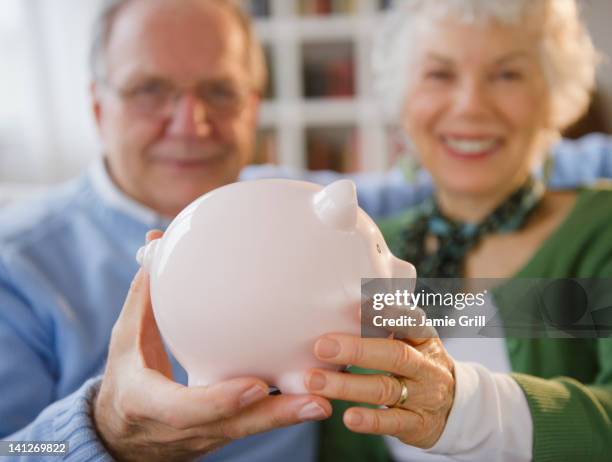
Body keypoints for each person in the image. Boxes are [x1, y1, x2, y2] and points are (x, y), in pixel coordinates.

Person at [0, 0, 611, 460]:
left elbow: (503, 248)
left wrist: (471, 404)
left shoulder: (342, 231)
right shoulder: (21, 267)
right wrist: (100, 432)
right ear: (98, 106)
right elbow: (18, 451)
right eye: (438, 75)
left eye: (509, 74)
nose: (190, 122)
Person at [298, 1, 612, 461]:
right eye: (439, 75)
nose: (470, 105)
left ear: (555, 93)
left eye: (507, 75)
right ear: (403, 100)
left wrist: (462, 408)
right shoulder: (359, 246)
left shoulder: (599, 230)